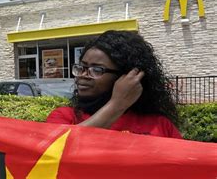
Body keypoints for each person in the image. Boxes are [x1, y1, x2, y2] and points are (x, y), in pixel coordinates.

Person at [46, 30, 182, 139]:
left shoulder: (160, 125)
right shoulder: (64, 117)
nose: (83, 75)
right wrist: (117, 104)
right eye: (81, 68)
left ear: (127, 76)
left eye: (97, 70)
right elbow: (59, 146)